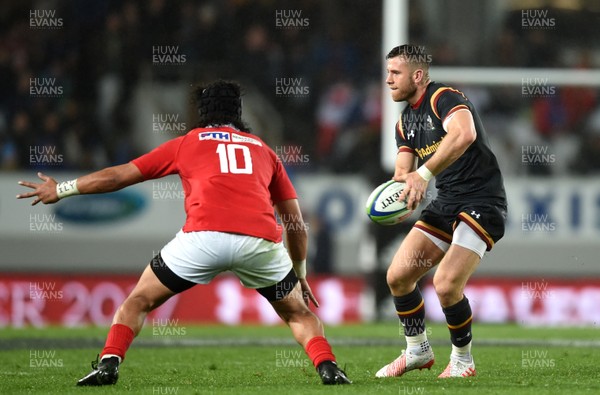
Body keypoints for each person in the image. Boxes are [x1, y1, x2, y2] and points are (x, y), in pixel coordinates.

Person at [16, 80, 351, 386]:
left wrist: (62, 188)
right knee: (298, 313)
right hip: (259, 243)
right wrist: (301, 273)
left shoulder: (187, 143)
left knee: (138, 301)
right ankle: (328, 367)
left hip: (202, 239)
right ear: (238, 113)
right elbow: (294, 222)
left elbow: (118, 177)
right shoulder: (264, 151)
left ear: (200, 113)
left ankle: (108, 364)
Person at [376, 45, 507, 379]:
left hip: (481, 201)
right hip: (447, 202)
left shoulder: (443, 97)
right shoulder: (405, 123)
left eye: (395, 73)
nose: (388, 79)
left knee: (446, 284)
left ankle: (463, 360)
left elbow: (464, 134)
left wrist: (423, 176)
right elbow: (403, 174)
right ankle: (417, 350)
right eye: (388, 72)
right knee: (398, 277)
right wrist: (402, 195)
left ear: (417, 76)